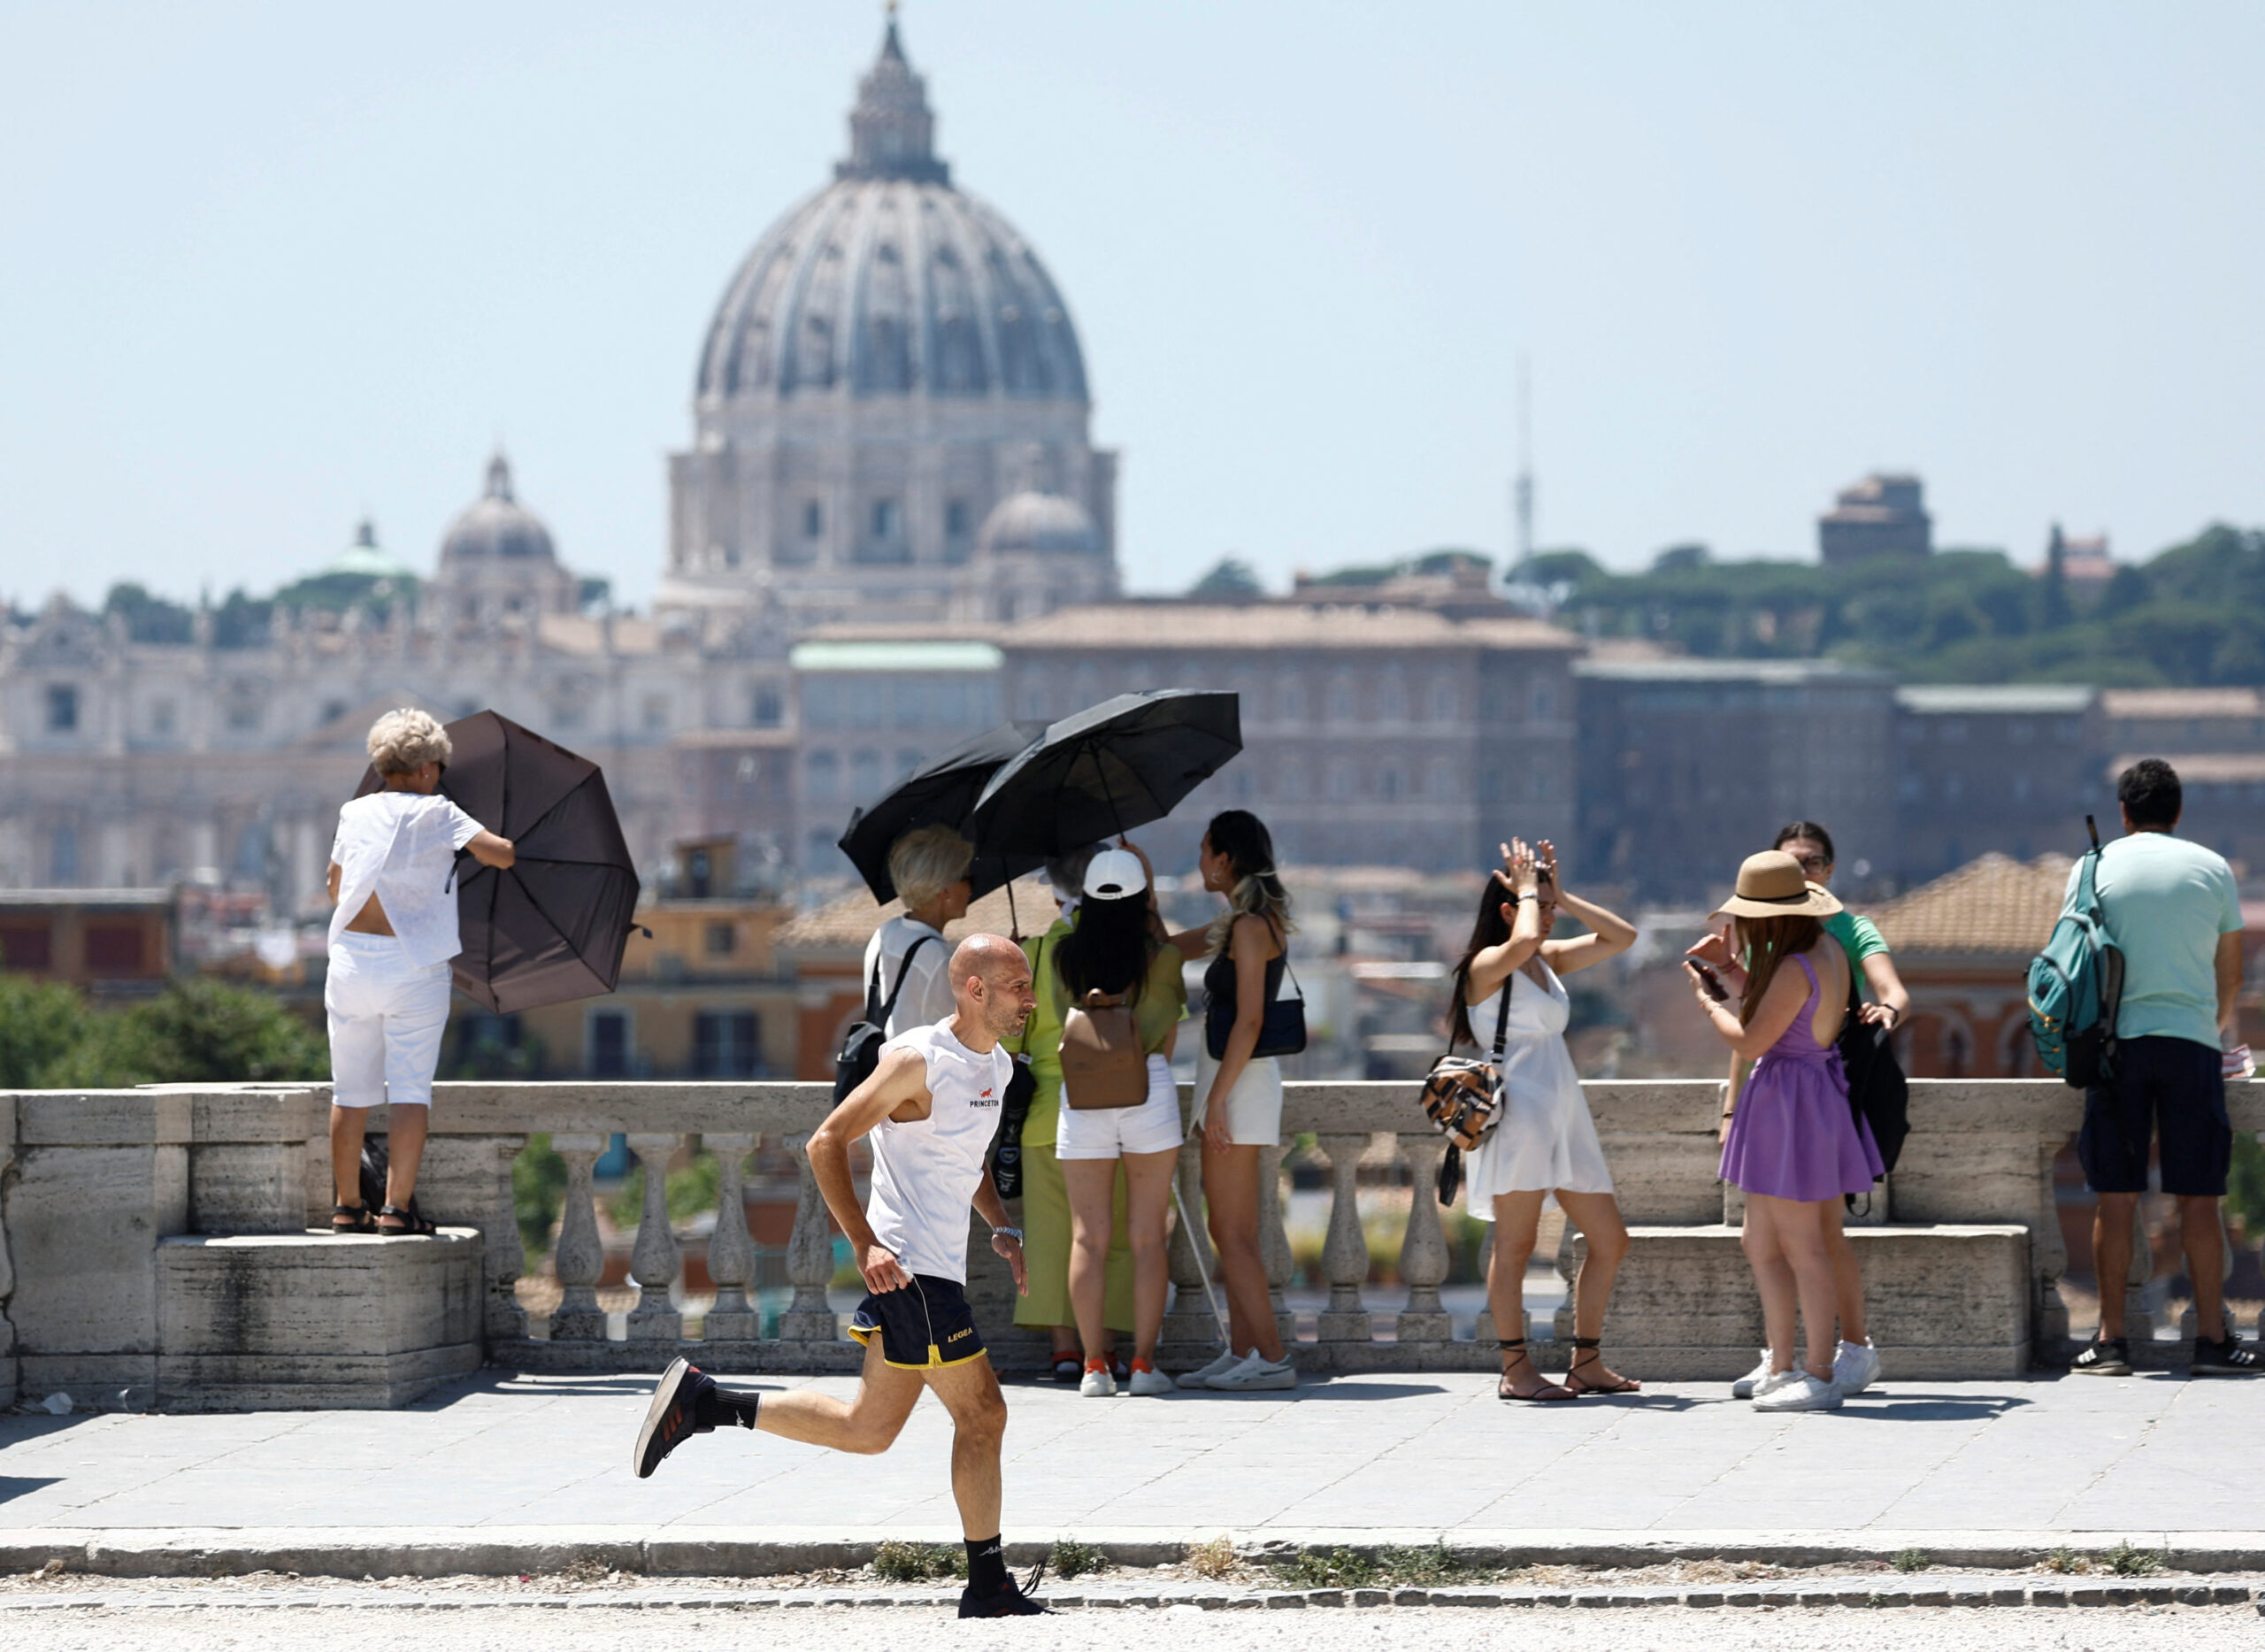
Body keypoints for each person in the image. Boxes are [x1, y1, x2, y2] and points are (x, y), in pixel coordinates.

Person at [633, 934, 1051, 1618]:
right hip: (913, 1272)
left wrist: (1001, 1227)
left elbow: (966, 1158)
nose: (1030, 998)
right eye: (1017, 986)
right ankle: (988, 1583)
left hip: (935, 1269)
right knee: (984, 1414)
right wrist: (864, 1243)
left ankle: (705, 1403)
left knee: (868, 1428)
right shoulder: (919, 1060)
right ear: (975, 989)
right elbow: (826, 1141)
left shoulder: (998, 1068)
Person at [2070, 759, 2260, 1377]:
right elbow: (2229, 970)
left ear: (2124, 813)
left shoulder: (2090, 867)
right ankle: (2210, 1339)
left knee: (2116, 1199)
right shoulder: (2212, 869)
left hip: (2114, 1046)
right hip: (2190, 1047)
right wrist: (2211, 1022)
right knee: (2199, 1200)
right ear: (2178, 813)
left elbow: (2073, 959)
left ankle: (2110, 1340)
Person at [1711, 820, 1910, 1399]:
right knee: (1767, 1239)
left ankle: (1825, 1364)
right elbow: (1767, 1022)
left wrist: (1708, 1001)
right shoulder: (1800, 950)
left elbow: (1752, 1038)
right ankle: (1785, 1362)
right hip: (1794, 1092)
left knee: (1808, 1240)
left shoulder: (1813, 952)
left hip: (1799, 1095)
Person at [1453, 838, 1642, 1401]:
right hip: (1518, 1116)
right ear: (1509, 910)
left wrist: (1563, 895)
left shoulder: (1546, 963)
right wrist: (1530, 892)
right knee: (1515, 1246)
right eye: (1538, 903)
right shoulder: (1486, 965)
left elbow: (1622, 938)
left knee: (1611, 1239)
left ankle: (1586, 1362)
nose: (1550, 915)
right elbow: (1529, 935)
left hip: (1563, 1113)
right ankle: (1515, 1369)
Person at [325, 710, 516, 1237]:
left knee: (350, 1092)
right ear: (428, 767)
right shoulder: (440, 813)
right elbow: (502, 855)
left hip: (351, 960)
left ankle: (346, 1206)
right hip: (414, 964)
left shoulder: (354, 812)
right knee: (410, 1091)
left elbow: (336, 887)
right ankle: (395, 1209)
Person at [1165, 810, 1298, 1392]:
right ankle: (1244, 1351)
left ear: (1225, 858)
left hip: (1238, 1084)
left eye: (1203, 850)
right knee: (1230, 1226)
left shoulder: (1248, 927)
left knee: (1233, 1231)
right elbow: (1166, 948)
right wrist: (1142, 883)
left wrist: (1216, 1101)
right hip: (1236, 1081)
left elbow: (1248, 1020)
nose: (1198, 862)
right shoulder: (1242, 921)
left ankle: (1270, 1355)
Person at [1052, 848, 1188, 1396]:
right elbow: (1170, 1034)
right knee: (1148, 1236)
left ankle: (1092, 1367)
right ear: (1143, 900)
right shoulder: (1163, 958)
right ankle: (1143, 1365)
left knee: (1088, 1237)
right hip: (1146, 1086)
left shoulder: (1065, 957)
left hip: (1082, 1090)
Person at [1004, 841, 1140, 1381]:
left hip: (1045, 1115)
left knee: (1054, 1237)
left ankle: (1065, 1349)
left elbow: (1011, 1040)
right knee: (1112, 1235)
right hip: (1113, 1105)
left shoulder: (1034, 954)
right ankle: (1101, 1347)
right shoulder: (1127, 948)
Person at [864, 824, 974, 1038]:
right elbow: (965, 1037)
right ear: (945, 890)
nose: (972, 889)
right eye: (968, 879)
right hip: (925, 1070)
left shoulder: (884, 933)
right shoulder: (939, 957)